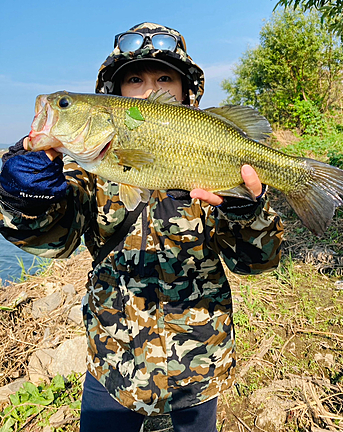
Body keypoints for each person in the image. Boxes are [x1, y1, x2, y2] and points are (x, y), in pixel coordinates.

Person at [0, 22, 284, 432]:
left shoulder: (210, 152)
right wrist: (24, 200)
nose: (150, 88)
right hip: (113, 370)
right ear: (112, 97)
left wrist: (247, 209)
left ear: (186, 94)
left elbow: (257, 263)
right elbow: (51, 239)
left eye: (164, 78)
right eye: (134, 78)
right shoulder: (90, 174)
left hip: (198, 370)